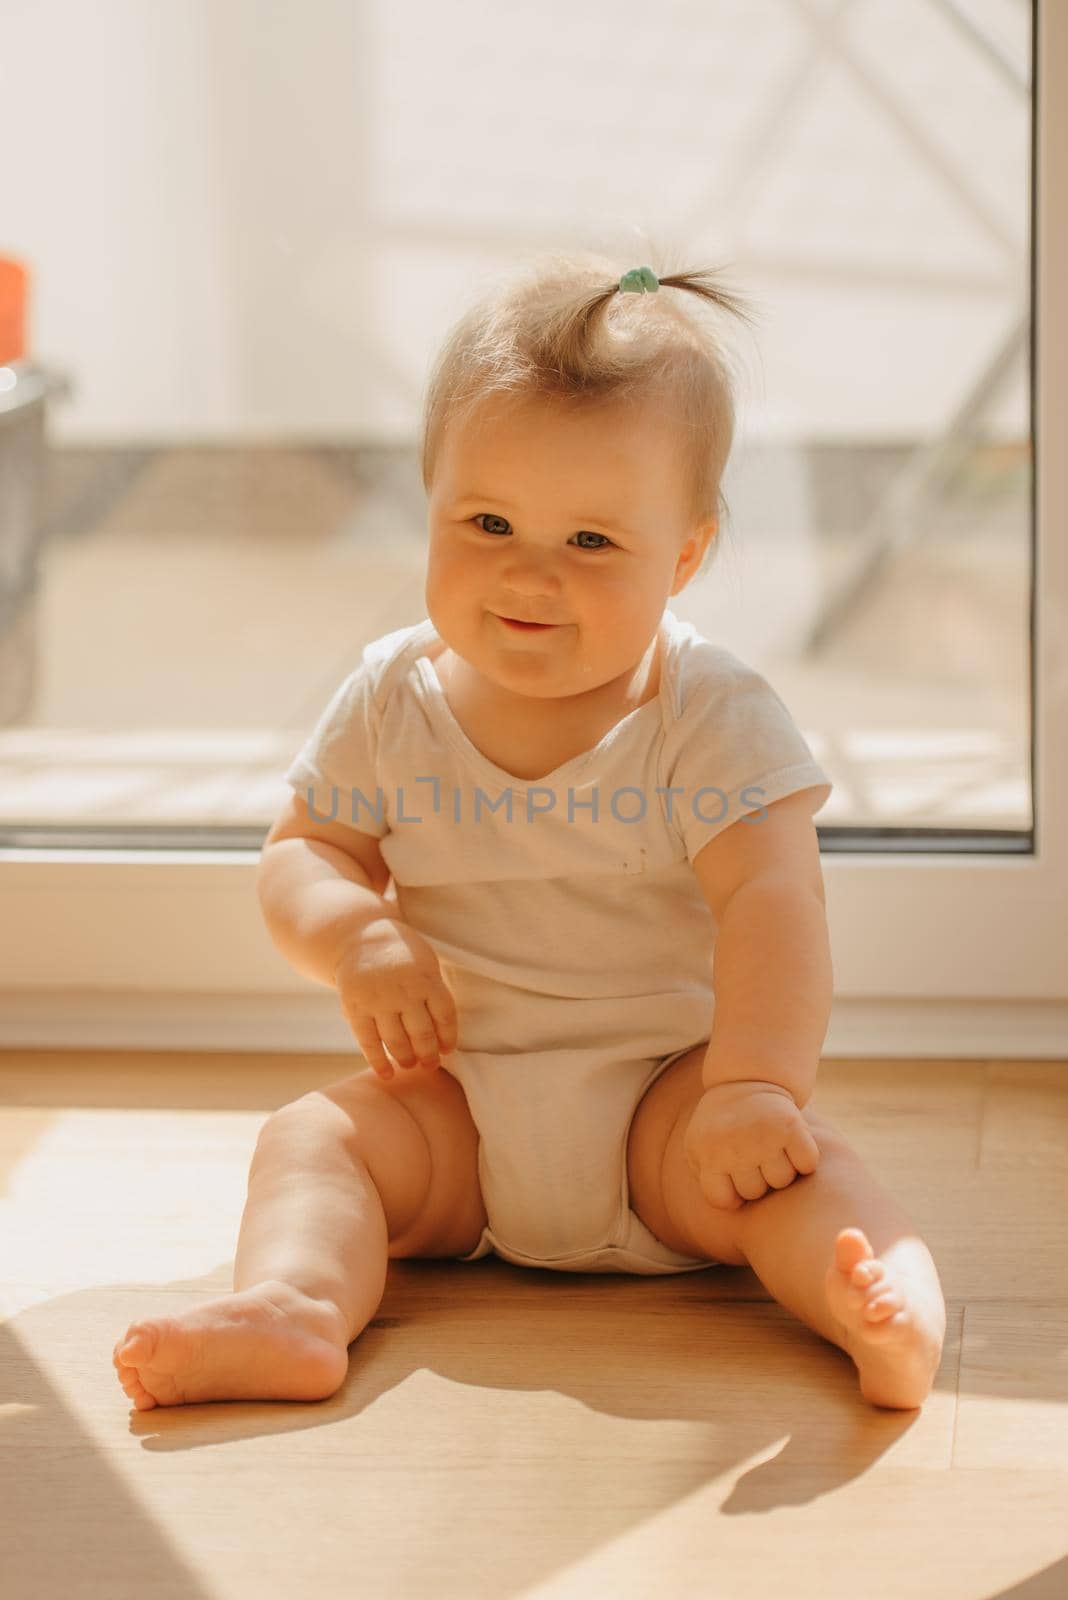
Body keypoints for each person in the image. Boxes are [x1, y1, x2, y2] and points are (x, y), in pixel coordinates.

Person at [112, 251, 947, 1413]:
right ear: (432, 499)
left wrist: (753, 1083)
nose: (529, 572)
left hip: (668, 1111)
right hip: (454, 1104)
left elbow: (775, 903)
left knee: (795, 1172)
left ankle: (880, 1301)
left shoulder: (705, 710)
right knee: (316, 1141)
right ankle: (296, 1306)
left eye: (592, 543)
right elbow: (303, 852)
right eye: (489, 519)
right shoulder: (391, 696)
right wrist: (357, 936)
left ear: (685, 556)